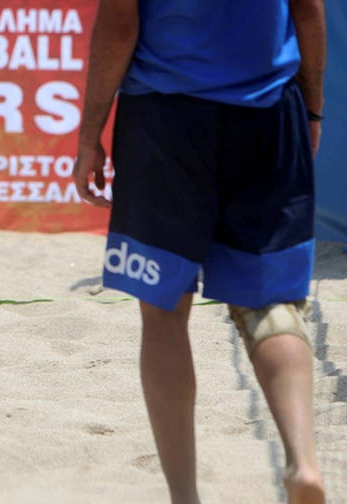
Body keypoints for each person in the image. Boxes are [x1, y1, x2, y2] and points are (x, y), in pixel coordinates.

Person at [74, 1, 326, 503]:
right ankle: (303, 461)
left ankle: (185, 498)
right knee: (272, 307)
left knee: (164, 312)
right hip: (267, 110)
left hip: (164, 118)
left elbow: (120, 21)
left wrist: (89, 135)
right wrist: (313, 107)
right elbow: (308, 8)